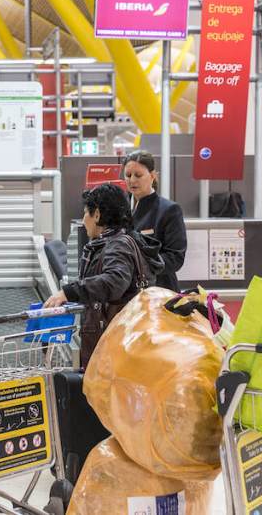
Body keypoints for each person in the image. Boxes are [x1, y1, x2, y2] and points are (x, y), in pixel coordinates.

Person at [44, 183, 163, 367]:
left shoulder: (117, 245)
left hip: (114, 347)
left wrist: (69, 292)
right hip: (124, 340)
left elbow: (114, 282)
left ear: (97, 214)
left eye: (86, 213)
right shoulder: (123, 241)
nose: (84, 220)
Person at [122, 150, 187, 291]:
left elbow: (175, 258)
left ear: (152, 176)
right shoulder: (120, 208)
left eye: (138, 175)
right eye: (128, 175)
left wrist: (139, 266)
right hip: (125, 292)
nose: (132, 180)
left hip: (159, 290)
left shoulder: (169, 210)